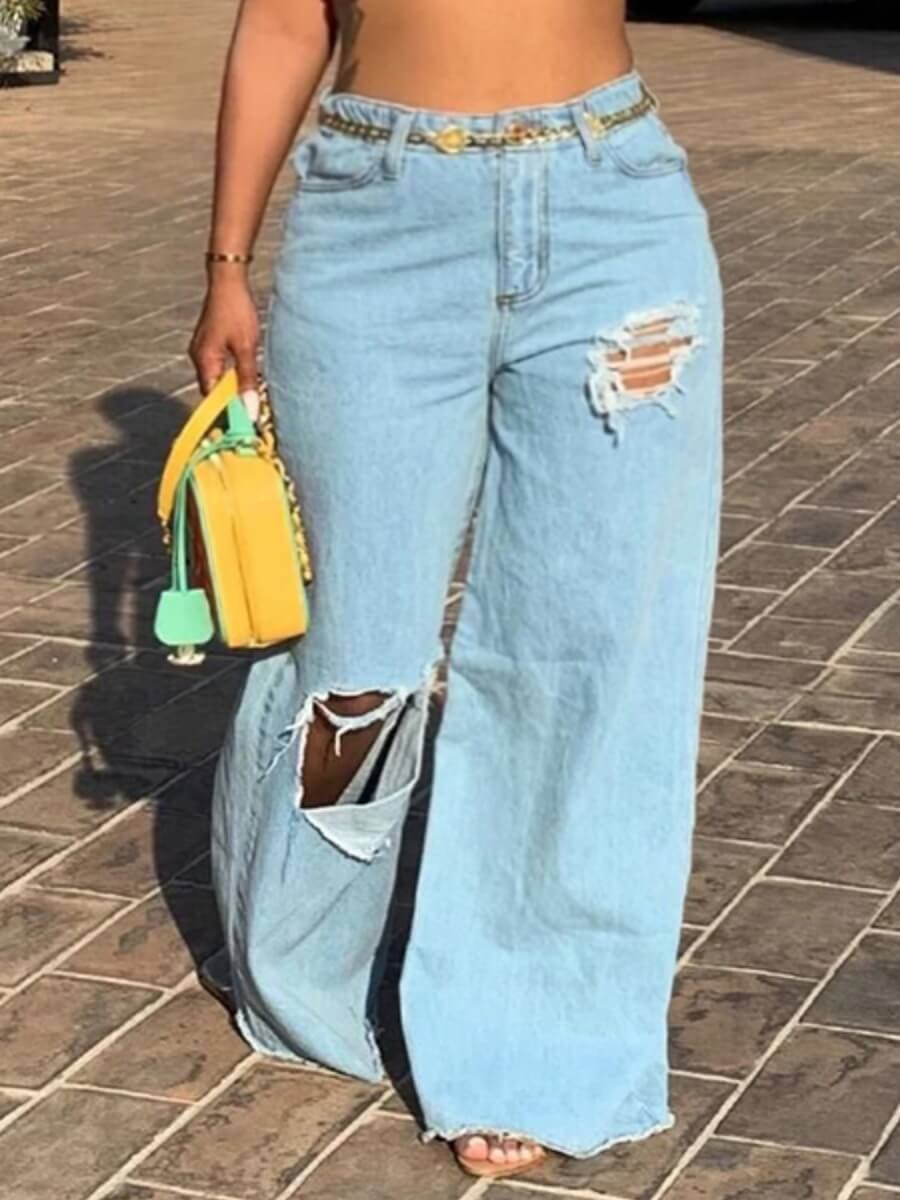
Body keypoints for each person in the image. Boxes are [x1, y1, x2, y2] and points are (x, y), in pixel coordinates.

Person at [189, 0, 722, 1181]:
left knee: (582, 652)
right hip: (374, 220)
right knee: (357, 657)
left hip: (611, 211)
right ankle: (304, 971)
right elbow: (283, 24)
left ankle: (535, 1032)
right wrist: (226, 262)